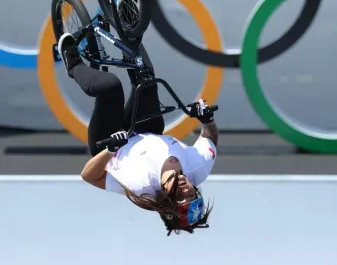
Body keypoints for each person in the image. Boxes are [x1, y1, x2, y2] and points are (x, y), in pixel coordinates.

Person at [57, 32, 219, 236]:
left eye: (180, 196)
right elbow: (210, 138)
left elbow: (89, 176)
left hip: (111, 140)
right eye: (192, 194)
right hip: (147, 128)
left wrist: (109, 150)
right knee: (145, 76)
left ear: (166, 203)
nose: (186, 189)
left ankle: (73, 64)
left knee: (110, 87)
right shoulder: (199, 168)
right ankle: (128, 24)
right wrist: (207, 120)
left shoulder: (139, 187)